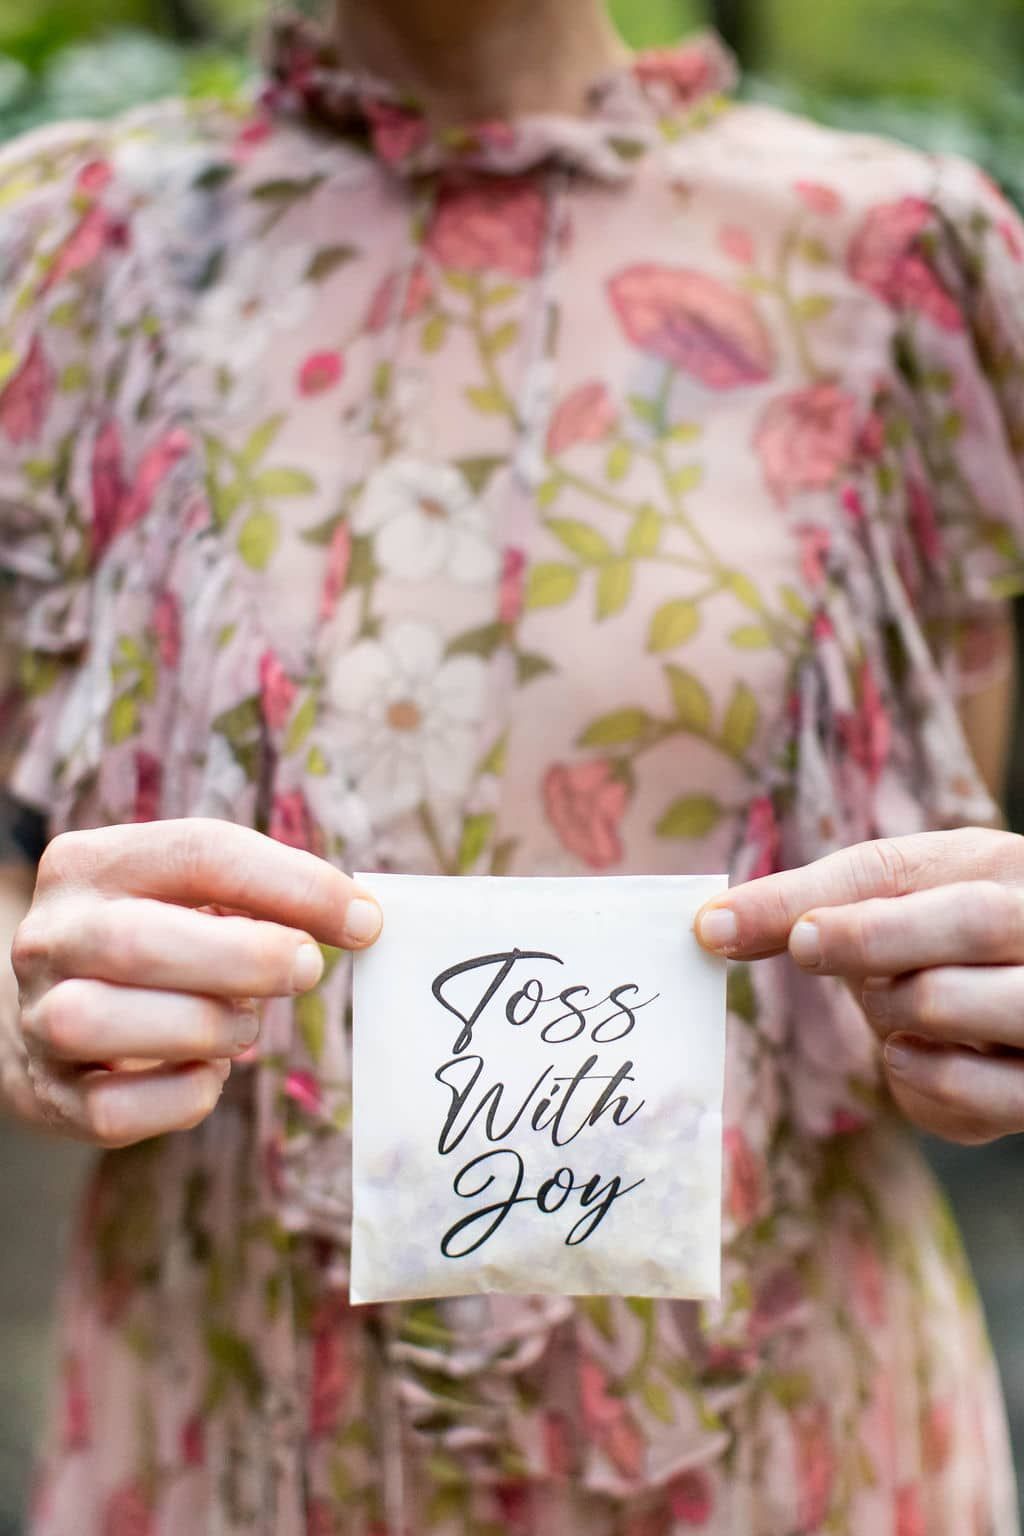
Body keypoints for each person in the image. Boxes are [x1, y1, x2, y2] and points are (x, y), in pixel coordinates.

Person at [1, 0, 1023, 1530]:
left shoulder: (902, 263)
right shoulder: (59, 253)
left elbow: (954, 856)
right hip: (233, 1427)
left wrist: (985, 1000)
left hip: (787, 1436)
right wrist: (22, 1013)